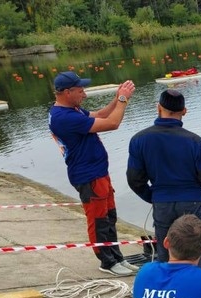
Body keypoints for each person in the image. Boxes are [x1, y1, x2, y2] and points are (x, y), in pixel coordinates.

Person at [48, 71, 138, 277]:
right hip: (87, 175)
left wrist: (116, 99)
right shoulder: (64, 117)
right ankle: (106, 262)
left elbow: (100, 115)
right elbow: (112, 123)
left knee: (110, 216)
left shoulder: (72, 109)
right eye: (80, 91)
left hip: (99, 172)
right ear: (67, 92)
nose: (84, 95)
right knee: (98, 220)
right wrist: (123, 100)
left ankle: (117, 257)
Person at [127, 89, 201, 269]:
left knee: (166, 254)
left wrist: (154, 196)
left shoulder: (139, 140)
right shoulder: (194, 141)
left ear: (158, 108)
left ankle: (170, 292)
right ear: (184, 111)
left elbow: (134, 179)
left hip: (162, 204)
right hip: (192, 203)